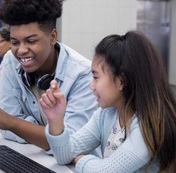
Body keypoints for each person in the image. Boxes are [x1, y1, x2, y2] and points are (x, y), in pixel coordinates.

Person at [40, 30, 176, 172]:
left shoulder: (149, 125)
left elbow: (104, 171)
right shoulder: (106, 114)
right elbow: (64, 155)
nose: (91, 86)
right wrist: (55, 120)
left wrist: (80, 159)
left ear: (121, 81)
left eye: (96, 77)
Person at [0, 0, 98, 151]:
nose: (21, 50)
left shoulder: (83, 75)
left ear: (53, 37)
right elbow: (7, 131)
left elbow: (70, 145)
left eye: (31, 41)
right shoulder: (11, 61)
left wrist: (12, 123)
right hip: (36, 156)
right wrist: (47, 133)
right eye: (14, 42)